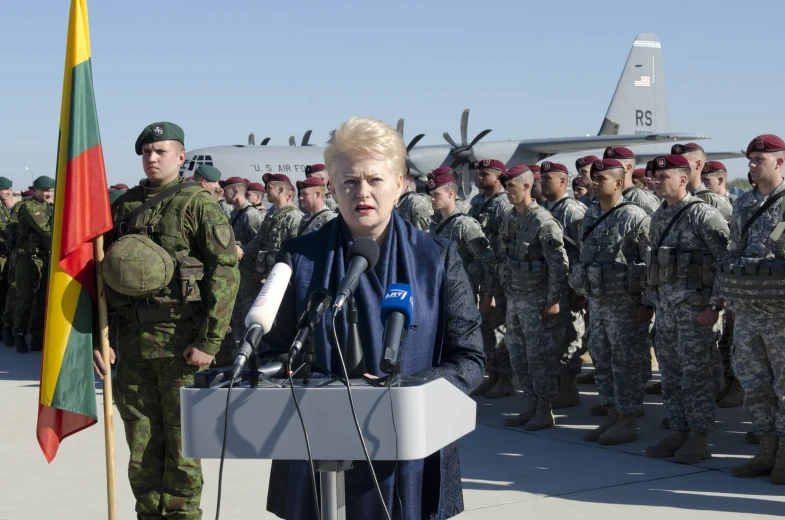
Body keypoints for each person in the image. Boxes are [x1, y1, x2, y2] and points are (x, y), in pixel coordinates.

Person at [262, 116, 484, 519]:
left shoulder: (437, 258)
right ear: (331, 188)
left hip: (411, 449)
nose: (362, 192)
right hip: (317, 446)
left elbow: (469, 361)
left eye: (375, 180)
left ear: (400, 183)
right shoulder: (300, 257)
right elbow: (273, 351)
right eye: (349, 182)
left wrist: (410, 390)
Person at [93, 121, 240, 518]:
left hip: (182, 346)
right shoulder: (123, 206)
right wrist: (100, 337)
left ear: (180, 156)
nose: (152, 158)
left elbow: (225, 273)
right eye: (146, 152)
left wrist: (210, 343)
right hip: (133, 346)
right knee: (141, 447)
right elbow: (99, 275)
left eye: (161, 151)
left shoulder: (198, 204)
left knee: (182, 448)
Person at [644, 154, 729, 464]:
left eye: (663, 176)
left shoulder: (703, 215)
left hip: (695, 312)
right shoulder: (658, 216)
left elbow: (725, 265)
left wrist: (715, 305)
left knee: (697, 376)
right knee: (671, 374)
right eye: (653, 176)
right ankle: (679, 430)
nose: (654, 181)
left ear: (682, 179)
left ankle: (699, 437)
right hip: (666, 311)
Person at [716, 134, 785, 482]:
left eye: (759, 159)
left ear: (780, 162)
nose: (752, 165)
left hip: (780, 315)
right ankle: (766, 452)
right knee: (755, 383)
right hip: (747, 312)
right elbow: (732, 250)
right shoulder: (743, 204)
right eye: (751, 159)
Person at [569, 159, 651, 444]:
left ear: (618, 183)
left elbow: (650, 264)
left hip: (626, 305)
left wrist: (647, 304)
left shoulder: (634, 216)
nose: (593, 182)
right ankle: (612, 414)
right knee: (602, 361)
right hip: (599, 303)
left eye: (601, 178)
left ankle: (627, 419)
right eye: (593, 178)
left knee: (624, 363)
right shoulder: (590, 216)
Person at [498, 165, 571, 430]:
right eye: (505, 187)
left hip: (537, 301)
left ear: (527, 186)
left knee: (540, 357)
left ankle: (544, 409)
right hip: (515, 299)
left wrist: (553, 300)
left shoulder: (544, 221)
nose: (507, 192)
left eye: (511, 187)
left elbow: (558, 265)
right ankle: (530, 404)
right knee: (518, 355)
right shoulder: (509, 217)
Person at [540, 161, 587, 409]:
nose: (542, 182)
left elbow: (581, 252)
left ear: (563, 181)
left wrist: (578, 289)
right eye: (541, 178)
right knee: (551, 340)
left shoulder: (573, 210)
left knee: (569, 337)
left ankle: (568, 388)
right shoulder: (542, 209)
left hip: (568, 287)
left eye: (548, 179)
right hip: (547, 286)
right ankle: (556, 385)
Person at [470, 159, 515, 398]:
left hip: (497, 277)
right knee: (486, 330)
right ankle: (492, 374)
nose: (478, 177)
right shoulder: (477, 201)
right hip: (481, 275)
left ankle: (505, 378)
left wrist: (496, 286)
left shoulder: (503, 204)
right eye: (477, 173)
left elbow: (504, 246)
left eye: (484, 174)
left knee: (500, 329)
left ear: (498, 178)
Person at [215, 176, 265, 366]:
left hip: (250, 277)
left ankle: (254, 359)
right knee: (238, 321)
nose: (222, 193)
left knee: (250, 320)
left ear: (235, 191)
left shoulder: (250, 215)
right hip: (238, 277)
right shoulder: (236, 214)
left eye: (225, 189)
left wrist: (244, 251)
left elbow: (261, 241)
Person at [427, 172, 496, 287]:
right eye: (431, 195)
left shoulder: (465, 224)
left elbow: (488, 261)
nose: (432, 199)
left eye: (436, 194)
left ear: (450, 194)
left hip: (463, 289)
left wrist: (487, 294)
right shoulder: (434, 224)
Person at [13, 175, 55, 352]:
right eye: (45, 190)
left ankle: (37, 335)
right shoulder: (28, 207)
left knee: (41, 297)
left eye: (51, 190)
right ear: (36, 190)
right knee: (26, 296)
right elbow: (46, 230)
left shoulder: (49, 207)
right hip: (28, 259)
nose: (48, 194)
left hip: (43, 258)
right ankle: (19, 334)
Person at [244, 173, 303, 282]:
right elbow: (259, 241)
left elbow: (299, 252)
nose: (265, 191)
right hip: (270, 275)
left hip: (286, 277)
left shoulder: (293, 216)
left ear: (281, 190)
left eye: (269, 188)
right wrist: (241, 251)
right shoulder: (270, 214)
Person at [671, 143, 733, 222]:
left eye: (683, 162)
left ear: (698, 164)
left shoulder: (717, 202)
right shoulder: (670, 201)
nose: (677, 167)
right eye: (675, 164)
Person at [0, 177, 15, 331]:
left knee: (7, 289)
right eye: (4, 189)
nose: (7, 192)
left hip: (8, 255)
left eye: (9, 189)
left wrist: (10, 205)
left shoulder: (12, 208)